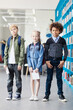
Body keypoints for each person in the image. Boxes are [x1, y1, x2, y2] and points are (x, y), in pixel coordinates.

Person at [43, 22, 68, 102]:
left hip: (59, 61)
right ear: (51, 31)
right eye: (53, 30)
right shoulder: (48, 41)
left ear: (60, 31)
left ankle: (60, 94)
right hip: (50, 61)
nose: (54, 32)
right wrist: (47, 61)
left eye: (56, 30)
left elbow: (66, 51)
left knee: (59, 78)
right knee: (49, 78)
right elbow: (46, 52)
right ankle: (46, 95)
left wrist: (63, 61)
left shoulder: (62, 40)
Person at [4, 24, 24, 101]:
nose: (13, 31)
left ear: (17, 30)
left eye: (15, 29)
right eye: (12, 30)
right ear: (10, 31)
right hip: (9, 63)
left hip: (16, 63)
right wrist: (5, 63)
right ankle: (10, 93)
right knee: (9, 79)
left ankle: (18, 93)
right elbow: (6, 52)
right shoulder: (8, 39)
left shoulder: (20, 39)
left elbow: (22, 51)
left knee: (18, 79)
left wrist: (20, 63)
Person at [27, 30, 44, 101]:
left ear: (39, 37)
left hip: (37, 65)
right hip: (31, 65)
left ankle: (36, 95)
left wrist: (38, 67)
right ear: (31, 36)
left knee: (37, 79)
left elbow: (41, 57)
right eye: (33, 36)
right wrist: (30, 66)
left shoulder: (41, 46)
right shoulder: (29, 46)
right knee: (32, 79)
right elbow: (28, 56)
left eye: (36, 36)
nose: (35, 37)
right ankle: (32, 94)